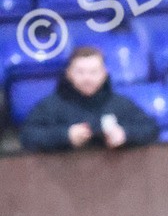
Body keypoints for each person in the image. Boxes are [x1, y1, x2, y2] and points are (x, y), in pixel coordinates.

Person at [20, 45, 159, 153]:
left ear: (104, 73)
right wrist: (66, 136)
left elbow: (151, 129)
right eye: (80, 72)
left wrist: (125, 135)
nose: (87, 78)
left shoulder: (121, 103)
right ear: (68, 74)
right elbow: (28, 136)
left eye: (93, 72)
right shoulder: (49, 106)